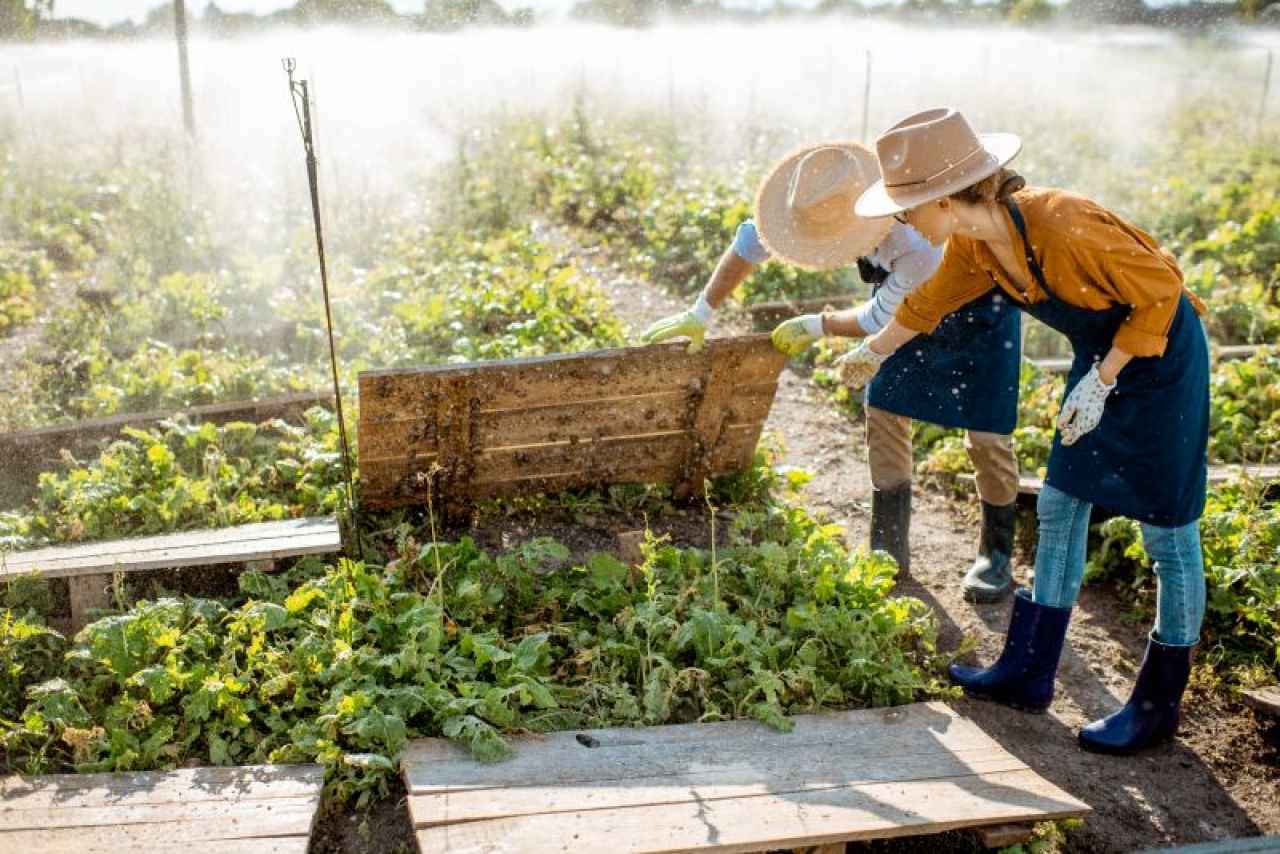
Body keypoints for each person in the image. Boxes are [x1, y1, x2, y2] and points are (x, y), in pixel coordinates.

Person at [842, 107, 1210, 755]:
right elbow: (925, 304)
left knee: (1168, 533)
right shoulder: (975, 246)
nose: (903, 222)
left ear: (944, 200)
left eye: (906, 209)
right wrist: (873, 350)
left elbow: (1163, 289)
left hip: (1160, 363)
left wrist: (1105, 379)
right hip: (1101, 363)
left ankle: (1157, 705)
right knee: (1064, 504)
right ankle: (1028, 671)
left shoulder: (1061, 223)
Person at [641, 141, 1023, 598]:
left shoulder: (920, 240)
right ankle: (888, 549)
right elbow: (750, 239)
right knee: (883, 412)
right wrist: (702, 311)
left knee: (986, 435)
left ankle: (995, 557)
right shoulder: (828, 191)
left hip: (978, 316)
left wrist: (815, 325)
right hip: (904, 309)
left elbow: (878, 320)